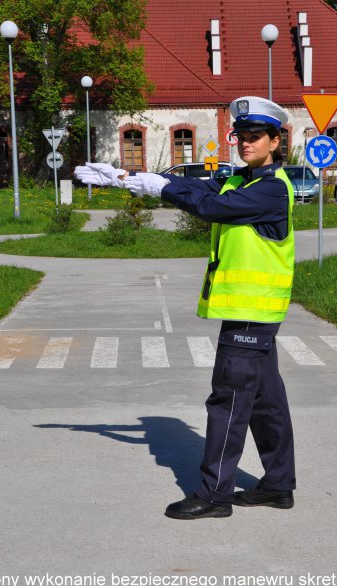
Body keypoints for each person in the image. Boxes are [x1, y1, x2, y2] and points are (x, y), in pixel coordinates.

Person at [75, 96, 297, 520]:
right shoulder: (242, 180)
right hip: (253, 314)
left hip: (251, 314)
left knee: (228, 402)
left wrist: (160, 188)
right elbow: (199, 189)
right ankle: (277, 485)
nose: (245, 142)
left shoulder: (270, 189)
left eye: (255, 136)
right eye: (241, 135)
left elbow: (211, 207)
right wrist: (130, 177)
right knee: (266, 401)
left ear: (275, 141)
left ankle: (215, 495)